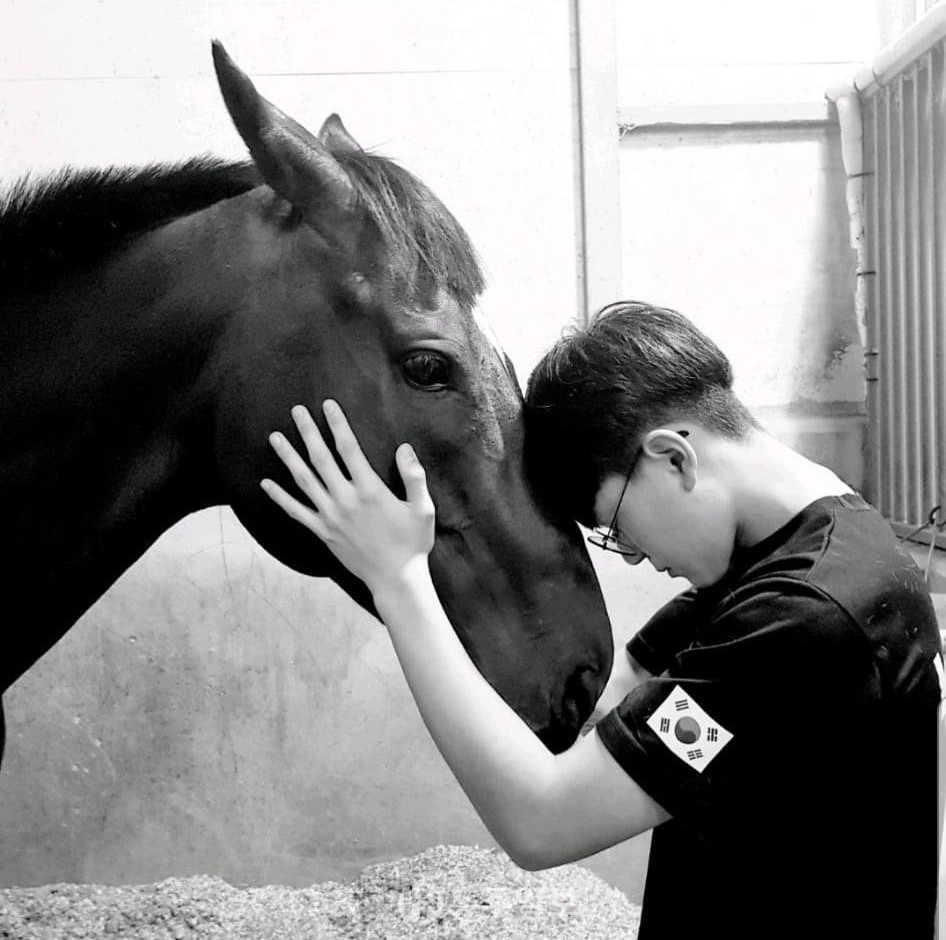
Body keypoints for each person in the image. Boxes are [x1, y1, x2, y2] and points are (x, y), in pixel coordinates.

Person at [260, 301, 941, 940]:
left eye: (616, 529)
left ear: (673, 457)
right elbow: (633, 680)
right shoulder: (815, 532)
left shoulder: (806, 619)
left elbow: (542, 824)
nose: (638, 557)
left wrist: (398, 579)